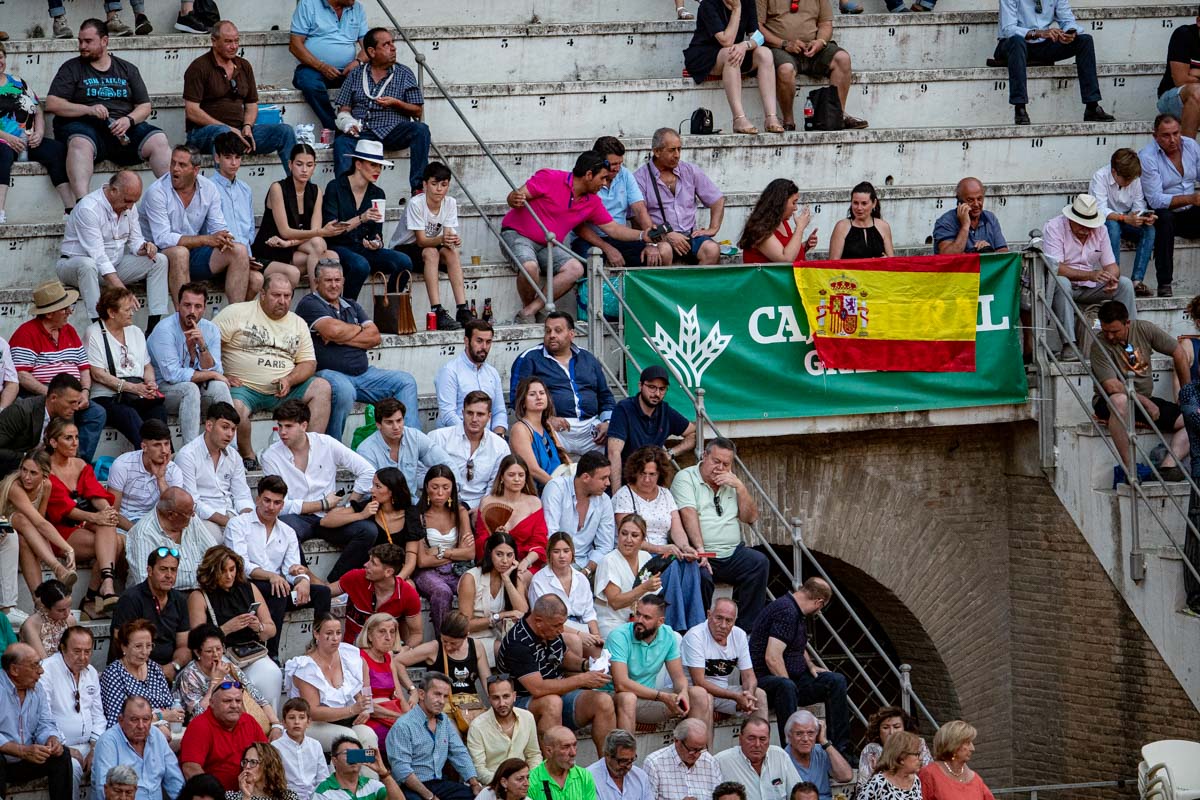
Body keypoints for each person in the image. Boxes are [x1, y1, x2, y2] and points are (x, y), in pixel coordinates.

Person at [503, 151, 650, 321]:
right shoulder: (550, 177)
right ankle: (528, 312)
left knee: (576, 269)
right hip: (517, 234)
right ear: (589, 175)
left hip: (547, 245)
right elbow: (516, 196)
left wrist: (642, 235)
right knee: (530, 267)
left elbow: (614, 229)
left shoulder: (593, 201)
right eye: (602, 178)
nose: (604, 184)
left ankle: (530, 310)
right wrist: (513, 198)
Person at [45, 18, 170, 202]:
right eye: (80, 41)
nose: (82, 46)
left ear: (104, 41)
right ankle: (82, 204)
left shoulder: (127, 68)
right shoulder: (71, 68)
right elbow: (52, 103)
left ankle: (173, 199)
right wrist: (88, 109)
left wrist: (129, 120)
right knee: (80, 142)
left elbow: (144, 106)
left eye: (88, 41)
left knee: (159, 139)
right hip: (86, 128)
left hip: (123, 129)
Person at [215, 274, 333, 468]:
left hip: (284, 390)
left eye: (287, 296)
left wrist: (290, 379)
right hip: (245, 388)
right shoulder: (236, 313)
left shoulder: (297, 322)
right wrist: (221, 374)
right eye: (276, 295)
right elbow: (209, 344)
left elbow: (308, 363)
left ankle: (310, 453)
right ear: (262, 294)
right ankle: (249, 457)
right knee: (235, 407)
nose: (282, 301)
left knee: (322, 387)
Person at [296, 258, 419, 442]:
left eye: (337, 280)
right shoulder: (309, 303)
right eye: (328, 280)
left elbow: (375, 336)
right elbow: (333, 330)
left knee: (405, 381)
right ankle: (332, 447)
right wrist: (355, 331)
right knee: (344, 391)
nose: (333, 285)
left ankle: (410, 444)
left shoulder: (351, 305)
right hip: (327, 373)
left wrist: (339, 338)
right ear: (317, 282)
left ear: (343, 281)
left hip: (363, 374)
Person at [261, 399, 376, 581]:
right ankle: (309, 581)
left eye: (288, 426)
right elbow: (279, 505)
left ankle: (337, 583)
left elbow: (368, 472)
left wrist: (350, 506)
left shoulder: (326, 444)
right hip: (298, 517)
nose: (282, 432)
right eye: (280, 426)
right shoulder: (270, 456)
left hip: (329, 517)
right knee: (284, 527)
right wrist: (320, 504)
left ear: (303, 425)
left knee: (368, 531)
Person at [225, 474, 334, 657]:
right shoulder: (237, 524)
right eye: (267, 501)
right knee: (279, 589)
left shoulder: (288, 531)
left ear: (283, 504)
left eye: (277, 503)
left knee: (322, 593)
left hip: (277, 589)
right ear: (257, 498)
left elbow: (292, 568)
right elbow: (240, 566)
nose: (271, 507)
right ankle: (271, 653)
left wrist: (303, 580)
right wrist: (271, 576)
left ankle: (320, 648)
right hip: (247, 589)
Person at [494, 594, 615, 753]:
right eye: (557, 626)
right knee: (551, 703)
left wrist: (586, 665)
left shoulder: (548, 631)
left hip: (557, 694)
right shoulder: (518, 643)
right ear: (538, 621)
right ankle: (552, 770)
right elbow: (538, 689)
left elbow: (562, 657)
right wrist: (582, 680)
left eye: (562, 624)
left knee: (603, 701)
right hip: (521, 704)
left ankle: (607, 769)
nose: (561, 630)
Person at [141, 145, 258, 305]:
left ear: (195, 170)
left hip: (193, 252)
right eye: (173, 163)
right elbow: (162, 239)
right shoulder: (157, 192)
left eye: (182, 165)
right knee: (180, 253)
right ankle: (184, 321)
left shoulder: (209, 188)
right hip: (157, 255)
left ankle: (234, 319)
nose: (175, 169)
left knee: (239, 250)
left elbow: (219, 227)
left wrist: (224, 239)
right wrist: (206, 240)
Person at [749, 578, 851, 761]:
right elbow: (772, 657)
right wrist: (793, 687)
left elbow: (795, 643)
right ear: (819, 602)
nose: (819, 611)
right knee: (786, 688)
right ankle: (791, 754)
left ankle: (840, 750)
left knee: (835, 681)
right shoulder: (786, 612)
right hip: (764, 679)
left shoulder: (795, 610)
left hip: (793, 676)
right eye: (821, 607)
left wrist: (810, 665)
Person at [672, 437, 766, 629]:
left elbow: (750, 518)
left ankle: (747, 630)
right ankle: (700, 630)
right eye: (716, 462)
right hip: (702, 553)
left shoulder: (731, 482)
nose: (720, 468)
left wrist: (740, 487)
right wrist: (700, 548)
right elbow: (688, 515)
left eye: (726, 464)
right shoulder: (685, 477)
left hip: (732, 552)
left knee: (759, 563)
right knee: (702, 577)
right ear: (704, 456)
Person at [1091, 299, 1189, 481]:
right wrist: (1146, 402)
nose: (1110, 337)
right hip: (1110, 401)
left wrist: (1187, 393)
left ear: (1127, 323)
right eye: (1106, 332)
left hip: (1143, 399)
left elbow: (1178, 352)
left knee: (1193, 417)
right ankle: (1130, 469)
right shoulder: (1099, 345)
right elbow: (1111, 386)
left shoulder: (1143, 329)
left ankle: (1169, 465)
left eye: (1114, 331)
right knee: (1120, 400)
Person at [8, 282, 106, 464]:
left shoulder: (69, 331)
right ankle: (57, 463)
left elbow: (84, 367)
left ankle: (78, 464)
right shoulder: (26, 333)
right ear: (49, 313)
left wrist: (84, 392)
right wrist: (54, 394)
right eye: (65, 308)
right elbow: (22, 374)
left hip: (70, 393)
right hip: (42, 394)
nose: (70, 312)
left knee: (96, 413)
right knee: (68, 412)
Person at [58, 171, 170, 330]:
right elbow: (98, 257)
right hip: (73, 265)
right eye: (127, 201)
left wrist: (145, 247)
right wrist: (123, 292)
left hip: (113, 264)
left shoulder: (129, 206)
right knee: (88, 265)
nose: (130, 206)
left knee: (159, 260)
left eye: (134, 202)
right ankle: (98, 326)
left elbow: (135, 240)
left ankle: (154, 327)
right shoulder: (88, 208)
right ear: (113, 191)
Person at [184, 21, 297, 172]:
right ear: (214, 41)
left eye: (236, 41)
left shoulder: (244, 65)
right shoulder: (199, 67)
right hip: (204, 134)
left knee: (285, 132)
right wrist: (229, 129)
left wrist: (247, 126)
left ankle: (298, 190)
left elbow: (251, 104)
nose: (234, 46)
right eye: (228, 41)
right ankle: (223, 190)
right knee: (223, 133)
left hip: (239, 131)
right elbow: (192, 111)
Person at [333, 28, 430, 194]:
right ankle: (344, 194)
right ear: (371, 51)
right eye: (386, 44)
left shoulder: (404, 73)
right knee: (342, 142)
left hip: (392, 131)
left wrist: (396, 103)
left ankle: (418, 188)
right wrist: (348, 124)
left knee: (421, 130)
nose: (393, 48)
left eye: (392, 43)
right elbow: (344, 109)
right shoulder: (356, 74)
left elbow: (417, 110)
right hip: (362, 132)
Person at [187, 546, 284, 709]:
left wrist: (258, 627)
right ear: (211, 572)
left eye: (232, 569)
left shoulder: (249, 588)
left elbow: (271, 628)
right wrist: (225, 629)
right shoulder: (199, 596)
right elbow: (197, 640)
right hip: (220, 654)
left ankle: (269, 723)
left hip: (251, 652)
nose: (229, 575)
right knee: (229, 687)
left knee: (272, 674)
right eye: (223, 571)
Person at [43, 418, 122, 616]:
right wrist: (98, 518)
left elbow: (96, 494)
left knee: (111, 532)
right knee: (116, 542)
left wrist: (107, 512)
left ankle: (105, 586)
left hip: (84, 523)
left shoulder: (80, 463)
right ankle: (92, 596)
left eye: (76, 437)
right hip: (59, 530)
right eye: (68, 438)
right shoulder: (45, 468)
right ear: (53, 442)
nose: (75, 442)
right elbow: (65, 510)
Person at [994, 0, 1113, 126]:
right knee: (1017, 41)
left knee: (1085, 40)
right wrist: (1038, 33)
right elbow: (1008, 29)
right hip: (1013, 44)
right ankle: (1020, 107)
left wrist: (1070, 32)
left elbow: (1067, 20)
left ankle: (1092, 106)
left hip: (1042, 44)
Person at [1044, 194, 1140, 348]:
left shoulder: (1100, 230)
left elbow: (1112, 265)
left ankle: (1131, 339)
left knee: (1125, 284)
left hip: (1089, 287)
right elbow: (1056, 268)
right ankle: (1069, 344)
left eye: (1089, 225)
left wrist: (1112, 278)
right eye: (1081, 225)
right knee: (1061, 282)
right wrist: (1090, 275)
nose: (1086, 230)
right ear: (1071, 219)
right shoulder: (1054, 227)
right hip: (1064, 286)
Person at [322, 139, 412, 301]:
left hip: (362, 248)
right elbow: (332, 230)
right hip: (337, 246)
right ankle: (347, 309)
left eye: (380, 166)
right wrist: (361, 218)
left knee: (404, 261)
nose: (378, 170)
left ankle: (390, 306)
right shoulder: (335, 187)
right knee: (360, 265)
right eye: (373, 165)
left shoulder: (378, 193)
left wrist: (376, 243)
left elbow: (376, 233)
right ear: (358, 164)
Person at [756, 0, 867, 130]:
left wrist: (820, 41)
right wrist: (784, 44)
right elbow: (758, 27)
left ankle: (837, 115)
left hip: (814, 47)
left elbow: (825, 23)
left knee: (842, 59)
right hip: (780, 47)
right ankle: (788, 121)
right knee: (786, 69)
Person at [211, 134, 304, 289]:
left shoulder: (245, 189)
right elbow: (212, 230)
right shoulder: (208, 187)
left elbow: (248, 231)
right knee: (257, 280)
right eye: (228, 157)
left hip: (247, 256)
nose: (234, 163)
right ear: (217, 158)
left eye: (238, 157)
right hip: (220, 254)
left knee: (265, 278)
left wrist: (248, 258)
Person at [148, 283, 235, 442]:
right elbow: (172, 375)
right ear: (178, 305)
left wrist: (202, 345)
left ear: (204, 308)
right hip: (163, 390)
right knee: (190, 389)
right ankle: (191, 450)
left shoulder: (211, 329)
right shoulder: (164, 330)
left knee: (220, 386)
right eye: (187, 305)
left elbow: (217, 371)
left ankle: (231, 450)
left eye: (197, 306)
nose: (192, 312)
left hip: (196, 391)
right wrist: (212, 374)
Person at [609, 595, 710, 731]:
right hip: (617, 699)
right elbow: (621, 684)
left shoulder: (668, 635)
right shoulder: (619, 636)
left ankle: (697, 750)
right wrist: (662, 696)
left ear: (660, 621)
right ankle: (627, 752)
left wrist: (683, 692)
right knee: (629, 698)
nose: (639, 620)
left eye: (647, 617)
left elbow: (679, 677)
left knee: (699, 694)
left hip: (649, 699)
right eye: (638, 614)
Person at [392, 163, 472, 329]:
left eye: (443, 185)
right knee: (431, 252)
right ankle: (437, 310)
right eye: (434, 184)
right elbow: (421, 240)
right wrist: (444, 239)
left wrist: (453, 240)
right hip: (405, 249)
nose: (439, 189)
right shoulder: (416, 203)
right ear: (425, 184)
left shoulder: (450, 203)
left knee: (451, 253)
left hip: (431, 246)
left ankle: (462, 309)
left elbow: (448, 234)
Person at [0, 42, 73, 224]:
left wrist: (39, 132)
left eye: (0, 57)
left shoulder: (18, 82)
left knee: (57, 149)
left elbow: (38, 110)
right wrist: (8, 138)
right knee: (2, 154)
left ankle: (71, 209)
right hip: (3, 141)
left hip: (27, 139)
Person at [254, 144, 344, 289]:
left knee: (331, 255)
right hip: (270, 250)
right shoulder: (277, 188)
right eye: (299, 164)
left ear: (314, 167)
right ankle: (316, 299)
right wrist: (322, 232)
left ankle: (327, 302)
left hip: (290, 249)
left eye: (309, 165)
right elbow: (285, 232)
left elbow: (313, 233)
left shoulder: (316, 191)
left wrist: (288, 244)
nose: (304, 170)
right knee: (319, 243)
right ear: (290, 165)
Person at [683, 0, 780, 134]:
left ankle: (771, 117)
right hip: (704, 55)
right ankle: (739, 118)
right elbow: (726, 41)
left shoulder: (747, 2)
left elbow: (758, 37)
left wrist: (745, 45)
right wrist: (736, 9)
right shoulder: (708, 4)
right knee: (731, 53)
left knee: (765, 54)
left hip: (735, 50)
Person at [285, 614, 378, 752]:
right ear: (316, 634)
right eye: (329, 633)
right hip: (314, 724)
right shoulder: (305, 667)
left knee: (368, 737)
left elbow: (366, 689)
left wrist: (367, 709)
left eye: (338, 633)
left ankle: (367, 772)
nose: (335, 638)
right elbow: (313, 711)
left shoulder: (350, 655)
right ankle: (346, 770)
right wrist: (352, 710)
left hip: (347, 720)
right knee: (349, 740)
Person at [87, 293, 167, 450]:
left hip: (135, 394)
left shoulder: (135, 331)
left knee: (158, 411)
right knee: (129, 415)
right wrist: (132, 387)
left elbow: (147, 366)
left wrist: (150, 383)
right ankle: (150, 455)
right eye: (127, 310)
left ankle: (165, 456)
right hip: (108, 396)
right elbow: (97, 374)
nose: (132, 313)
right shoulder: (94, 333)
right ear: (112, 313)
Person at [572, 135, 666, 270]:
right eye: (613, 164)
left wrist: (651, 243)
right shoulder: (587, 179)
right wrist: (607, 248)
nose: (618, 168)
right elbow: (578, 226)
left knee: (652, 257)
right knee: (591, 264)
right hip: (589, 239)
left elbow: (639, 209)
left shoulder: (625, 175)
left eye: (620, 163)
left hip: (620, 235)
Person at [385, 671, 482, 800]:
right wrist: (430, 797)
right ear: (421, 694)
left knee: (476, 797)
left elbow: (459, 753)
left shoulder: (444, 721)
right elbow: (402, 771)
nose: (442, 701)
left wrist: (474, 783)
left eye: (445, 696)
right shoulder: (403, 726)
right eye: (437, 694)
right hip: (411, 787)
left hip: (439, 783)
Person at [634, 129, 724, 266]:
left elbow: (717, 199)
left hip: (690, 235)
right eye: (672, 150)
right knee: (663, 251)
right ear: (657, 152)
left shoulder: (690, 170)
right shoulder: (641, 177)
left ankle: (699, 287)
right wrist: (665, 235)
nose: (677, 155)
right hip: (660, 237)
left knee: (712, 249)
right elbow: (638, 216)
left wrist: (713, 228)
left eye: (679, 149)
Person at [0, 642, 71, 800]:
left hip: (28, 758)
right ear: (14, 670)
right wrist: (21, 751)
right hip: (5, 759)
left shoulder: (37, 688)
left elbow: (45, 722)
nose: (41, 671)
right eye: (34, 665)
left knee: (62, 754)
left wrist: (51, 739)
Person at [682, 598, 768, 728]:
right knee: (706, 698)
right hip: (695, 693)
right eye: (719, 618)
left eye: (728, 621)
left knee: (759, 695)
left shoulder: (739, 635)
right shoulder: (695, 636)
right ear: (709, 615)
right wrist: (735, 696)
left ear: (734, 621)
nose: (723, 625)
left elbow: (749, 676)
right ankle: (705, 748)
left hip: (723, 693)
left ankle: (758, 744)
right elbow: (699, 682)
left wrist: (748, 694)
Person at [174, 624, 281, 728]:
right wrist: (215, 682)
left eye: (219, 649)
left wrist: (276, 724)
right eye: (209, 651)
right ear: (197, 653)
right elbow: (197, 715)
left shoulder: (230, 669)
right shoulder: (190, 675)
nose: (216, 655)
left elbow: (259, 698)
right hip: (204, 728)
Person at [1140, 113, 1200, 299]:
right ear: (1155, 136)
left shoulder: (1190, 145)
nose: (1172, 139)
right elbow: (1156, 200)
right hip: (1164, 212)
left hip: (1189, 213)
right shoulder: (1147, 157)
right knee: (1164, 220)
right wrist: (1190, 198)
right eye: (1166, 135)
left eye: (1176, 133)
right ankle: (1164, 283)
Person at [409, 466, 475, 633]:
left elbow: (470, 553)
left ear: (452, 489)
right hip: (427, 572)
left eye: (445, 488)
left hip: (456, 570)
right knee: (441, 591)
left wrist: (441, 552)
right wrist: (456, 553)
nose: (439, 493)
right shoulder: (418, 515)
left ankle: (470, 637)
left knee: (473, 586)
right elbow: (422, 561)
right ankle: (443, 640)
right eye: (434, 487)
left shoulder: (460, 512)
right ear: (426, 487)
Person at [40, 626, 104, 794]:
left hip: (89, 745)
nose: (83, 657)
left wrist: (95, 747)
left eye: (88, 652)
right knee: (72, 768)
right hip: (60, 747)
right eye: (76, 651)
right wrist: (65, 749)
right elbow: (43, 717)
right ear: (62, 648)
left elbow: (98, 714)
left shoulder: (90, 672)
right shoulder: (47, 670)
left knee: (107, 761)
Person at [177, 402, 253, 540]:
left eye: (233, 429)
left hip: (230, 512)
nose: (230, 434)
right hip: (202, 517)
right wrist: (228, 522)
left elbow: (242, 495)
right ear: (209, 426)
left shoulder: (234, 456)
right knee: (213, 542)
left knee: (255, 536)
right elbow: (192, 503)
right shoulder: (187, 455)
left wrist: (247, 518)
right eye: (225, 427)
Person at [289, 0, 368, 135]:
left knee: (369, 81)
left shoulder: (357, 8)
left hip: (349, 71)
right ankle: (335, 127)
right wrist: (321, 66)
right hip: (313, 68)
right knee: (308, 82)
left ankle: (364, 129)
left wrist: (357, 61)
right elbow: (295, 45)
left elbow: (368, 46)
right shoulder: (308, 4)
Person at [3, 449, 77, 594]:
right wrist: (68, 548)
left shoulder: (46, 485)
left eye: (33, 473)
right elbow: (38, 523)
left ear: (44, 475)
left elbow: (40, 522)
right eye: (24, 470)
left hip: (22, 535)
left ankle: (40, 601)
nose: (26, 477)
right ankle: (58, 569)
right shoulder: (14, 487)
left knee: (25, 538)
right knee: (22, 518)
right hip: (5, 527)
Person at [110, 545, 191, 674]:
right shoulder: (131, 599)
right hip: (132, 671)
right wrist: (156, 672)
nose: (169, 575)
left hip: (171, 671)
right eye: (163, 569)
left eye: (173, 570)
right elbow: (121, 645)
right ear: (149, 571)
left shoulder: (179, 600)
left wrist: (173, 666)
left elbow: (184, 646)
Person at [396, 612, 489, 720]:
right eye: (445, 641)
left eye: (454, 643)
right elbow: (397, 662)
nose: (448, 647)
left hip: (471, 706)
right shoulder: (434, 648)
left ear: (466, 636)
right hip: (444, 707)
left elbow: (487, 682)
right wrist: (412, 689)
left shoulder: (476, 647)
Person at [325, 543, 423, 645]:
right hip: (353, 650)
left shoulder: (408, 594)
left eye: (373, 563)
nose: (366, 565)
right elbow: (325, 592)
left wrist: (404, 651)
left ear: (388, 572)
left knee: (429, 648)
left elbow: (416, 634)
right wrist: (308, 577)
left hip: (386, 652)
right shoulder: (355, 577)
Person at [606, 365, 696, 476]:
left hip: (651, 479)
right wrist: (617, 492)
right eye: (652, 387)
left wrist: (670, 453)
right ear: (640, 386)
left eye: (662, 389)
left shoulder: (665, 411)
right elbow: (614, 454)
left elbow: (693, 434)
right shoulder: (624, 409)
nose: (657, 394)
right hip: (627, 479)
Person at [90, 696, 185, 800]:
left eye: (145, 719)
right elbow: (104, 791)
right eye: (134, 719)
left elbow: (175, 781)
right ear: (121, 720)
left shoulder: (157, 736)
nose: (141, 726)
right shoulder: (108, 742)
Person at [429, 391, 510, 511]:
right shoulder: (439, 438)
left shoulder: (500, 446)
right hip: (441, 504)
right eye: (470, 413)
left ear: (489, 417)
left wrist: (479, 508)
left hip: (480, 507)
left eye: (480, 414)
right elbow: (422, 474)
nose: (474, 419)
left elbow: (495, 486)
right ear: (462, 413)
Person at [179, 680, 269, 789]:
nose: (234, 705)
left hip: (251, 792)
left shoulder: (248, 720)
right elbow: (191, 768)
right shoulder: (199, 725)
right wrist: (213, 795)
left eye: (238, 701)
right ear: (212, 703)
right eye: (227, 701)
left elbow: (268, 757)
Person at [1090, 150, 1155, 299]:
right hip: (1105, 222)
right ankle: (1114, 278)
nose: (1129, 182)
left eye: (1131, 179)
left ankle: (1137, 282)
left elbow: (1138, 204)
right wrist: (1125, 218)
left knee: (1149, 230)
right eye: (1126, 179)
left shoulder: (1134, 179)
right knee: (1112, 226)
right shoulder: (1100, 177)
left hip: (1126, 220)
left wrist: (1143, 218)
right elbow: (1099, 210)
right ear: (1114, 171)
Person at [528, 533, 603, 658]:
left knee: (599, 650)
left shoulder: (581, 578)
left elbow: (589, 614)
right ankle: (574, 675)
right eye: (556, 551)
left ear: (572, 553)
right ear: (549, 554)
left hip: (580, 627)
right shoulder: (539, 580)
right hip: (552, 630)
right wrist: (579, 634)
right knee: (575, 641)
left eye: (566, 551)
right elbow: (544, 619)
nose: (562, 556)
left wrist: (596, 636)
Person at [460, 533, 532, 664]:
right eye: (499, 554)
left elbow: (522, 611)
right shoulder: (470, 578)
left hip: (499, 635)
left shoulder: (514, 578)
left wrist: (507, 579)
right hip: (474, 637)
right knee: (510, 650)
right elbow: (465, 625)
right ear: (489, 553)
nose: (505, 560)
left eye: (509, 555)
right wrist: (500, 616)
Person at [99, 619, 182, 732]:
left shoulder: (154, 668)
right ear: (124, 647)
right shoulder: (114, 674)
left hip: (165, 729)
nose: (144, 652)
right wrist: (160, 716)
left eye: (148, 645)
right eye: (138, 646)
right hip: (130, 735)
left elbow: (169, 706)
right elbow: (117, 721)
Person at [324, 467, 421, 560]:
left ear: (392, 491)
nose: (371, 490)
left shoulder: (410, 513)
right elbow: (325, 521)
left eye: (378, 486)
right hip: (371, 570)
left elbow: (411, 561)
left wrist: (399, 577)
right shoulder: (368, 506)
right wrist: (361, 515)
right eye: (373, 485)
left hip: (397, 572)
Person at [611, 447, 692, 557]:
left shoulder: (665, 494)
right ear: (634, 472)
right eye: (642, 473)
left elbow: (677, 529)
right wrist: (659, 549)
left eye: (652, 474)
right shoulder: (624, 495)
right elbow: (626, 537)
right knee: (673, 567)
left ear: (660, 474)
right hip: (636, 553)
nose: (647, 479)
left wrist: (685, 547)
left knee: (689, 562)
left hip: (664, 552)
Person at [542, 451, 616, 570]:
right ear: (586, 477)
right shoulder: (556, 488)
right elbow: (550, 535)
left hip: (587, 565)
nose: (608, 483)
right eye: (603, 478)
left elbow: (605, 546)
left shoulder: (604, 500)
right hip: (554, 561)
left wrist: (587, 571)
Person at [473, 455, 548, 570]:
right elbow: (480, 540)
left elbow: (539, 542)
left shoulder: (535, 503)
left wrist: (525, 563)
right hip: (494, 563)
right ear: (502, 477)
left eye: (521, 475)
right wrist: (495, 537)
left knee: (519, 579)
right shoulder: (487, 502)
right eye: (511, 475)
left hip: (526, 563)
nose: (517, 479)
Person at [467, 675, 542, 785]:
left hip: (526, 783)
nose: (502, 703)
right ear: (489, 699)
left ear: (514, 696)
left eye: (506, 696)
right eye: (496, 698)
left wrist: (530, 780)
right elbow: (479, 769)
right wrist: (505, 785)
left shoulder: (527, 717)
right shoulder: (477, 727)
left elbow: (534, 755)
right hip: (493, 786)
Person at [435, 321, 508, 433]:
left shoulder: (492, 372)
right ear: (466, 341)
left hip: (488, 440)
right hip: (456, 438)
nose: (484, 347)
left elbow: (499, 412)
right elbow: (448, 415)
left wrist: (497, 436)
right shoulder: (450, 371)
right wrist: (475, 436)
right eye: (479, 341)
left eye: (488, 342)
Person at [357, 397, 446, 488]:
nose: (396, 427)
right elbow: (369, 489)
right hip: (381, 501)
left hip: (413, 501)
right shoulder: (366, 449)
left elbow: (445, 462)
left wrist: (455, 493)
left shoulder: (414, 436)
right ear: (378, 425)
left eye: (399, 421)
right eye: (389, 422)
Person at [107, 421, 181, 529]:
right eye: (157, 445)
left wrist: (161, 478)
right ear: (144, 447)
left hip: (158, 522)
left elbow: (174, 511)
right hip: (126, 522)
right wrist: (139, 532)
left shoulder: (174, 470)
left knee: (192, 521)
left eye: (166, 444)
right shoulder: (122, 465)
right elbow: (113, 512)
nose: (164, 451)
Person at [355, 613, 417, 740]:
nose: (388, 637)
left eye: (392, 632)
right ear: (370, 635)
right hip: (372, 717)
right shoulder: (360, 659)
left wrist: (411, 718)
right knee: (398, 737)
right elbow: (367, 705)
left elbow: (400, 697)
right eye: (382, 632)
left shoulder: (389, 657)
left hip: (391, 713)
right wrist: (399, 717)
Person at [593, 515, 656, 639]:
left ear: (643, 539)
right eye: (624, 533)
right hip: (612, 623)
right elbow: (615, 602)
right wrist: (644, 588)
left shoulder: (646, 557)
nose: (628, 539)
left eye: (634, 535)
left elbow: (653, 600)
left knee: (674, 637)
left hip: (640, 622)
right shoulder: (608, 561)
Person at [715, 719, 800, 800]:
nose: (757, 744)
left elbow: (799, 795)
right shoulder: (721, 762)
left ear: (769, 740)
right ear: (740, 739)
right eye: (751, 738)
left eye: (762, 739)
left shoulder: (780, 756)